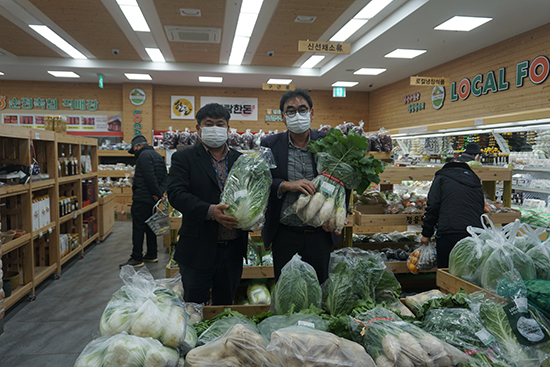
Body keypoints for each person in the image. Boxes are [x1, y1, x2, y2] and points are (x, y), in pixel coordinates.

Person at [167, 103, 247, 305]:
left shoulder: (241, 160)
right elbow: (176, 194)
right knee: (194, 307)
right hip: (197, 249)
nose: (214, 128)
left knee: (225, 306)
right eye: (208, 124)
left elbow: (249, 193)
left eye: (220, 124)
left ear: (228, 129)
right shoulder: (184, 158)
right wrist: (210, 211)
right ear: (198, 129)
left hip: (233, 249)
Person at [261, 89, 342, 284]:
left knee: (319, 286)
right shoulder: (269, 144)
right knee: (287, 288)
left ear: (312, 113)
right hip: (285, 234)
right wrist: (285, 185)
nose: (297, 115)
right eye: (291, 111)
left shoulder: (328, 141)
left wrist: (339, 213)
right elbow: (261, 182)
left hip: (320, 234)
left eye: (302, 109)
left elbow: (341, 181)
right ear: (283, 116)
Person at [420, 161, 485, 268]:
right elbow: (480, 206)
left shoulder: (442, 177)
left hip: (449, 233)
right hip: (474, 234)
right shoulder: (475, 179)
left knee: (446, 273)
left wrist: (426, 233)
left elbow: (433, 206)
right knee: (468, 272)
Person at [119, 134, 167, 268]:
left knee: (138, 228)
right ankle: (152, 254)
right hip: (152, 200)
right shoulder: (157, 156)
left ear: (138, 146)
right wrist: (159, 194)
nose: (134, 153)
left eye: (134, 150)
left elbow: (149, 177)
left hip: (142, 199)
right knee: (150, 227)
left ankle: (137, 257)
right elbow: (165, 177)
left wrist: (156, 193)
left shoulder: (144, 156)